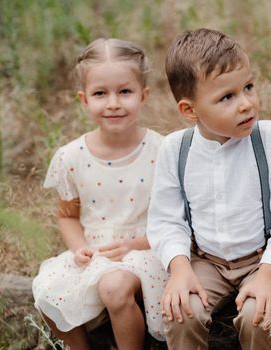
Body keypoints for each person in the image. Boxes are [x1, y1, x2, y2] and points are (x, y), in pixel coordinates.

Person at [146, 28, 271, 350]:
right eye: (227, 97)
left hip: (260, 257)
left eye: (248, 87)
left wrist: (269, 273)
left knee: (260, 315)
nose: (247, 104)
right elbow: (166, 219)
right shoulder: (175, 149)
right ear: (190, 110)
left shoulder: (270, 138)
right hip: (206, 261)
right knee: (183, 312)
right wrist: (180, 269)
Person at [32, 38, 167, 350]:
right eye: (100, 94)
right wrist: (80, 249)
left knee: (114, 287)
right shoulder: (71, 157)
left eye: (125, 91)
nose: (113, 103)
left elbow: (176, 217)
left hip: (146, 249)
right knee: (46, 290)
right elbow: (67, 215)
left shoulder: (161, 150)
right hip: (96, 251)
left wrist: (137, 244)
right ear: (83, 100)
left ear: (144, 95)